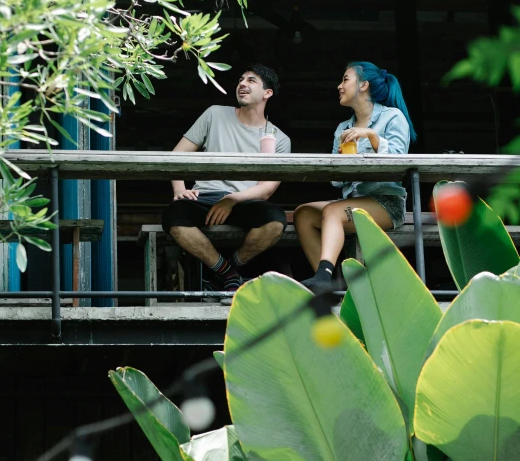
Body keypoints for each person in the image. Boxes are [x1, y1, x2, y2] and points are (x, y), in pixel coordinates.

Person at [162, 64, 291, 302]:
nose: (242, 84)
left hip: (244, 201)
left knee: (275, 222)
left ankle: (220, 278)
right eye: (241, 80)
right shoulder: (215, 114)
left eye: (251, 81)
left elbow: (267, 188)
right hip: (205, 196)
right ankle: (229, 274)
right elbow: (176, 156)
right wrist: (180, 189)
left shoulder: (278, 138)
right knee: (174, 218)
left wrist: (231, 199)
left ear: (267, 93)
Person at [294, 61, 417, 293]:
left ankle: (323, 275)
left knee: (332, 211)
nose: (339, 86)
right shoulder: (343, 128)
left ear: (364, 85)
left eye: (345, 79)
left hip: (386, 203)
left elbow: (400, 162)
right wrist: (340, 161)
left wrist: (371, 136)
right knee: (304, 214)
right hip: (353, 201)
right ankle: (329, 284)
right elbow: (337, 181)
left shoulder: (392, 117)